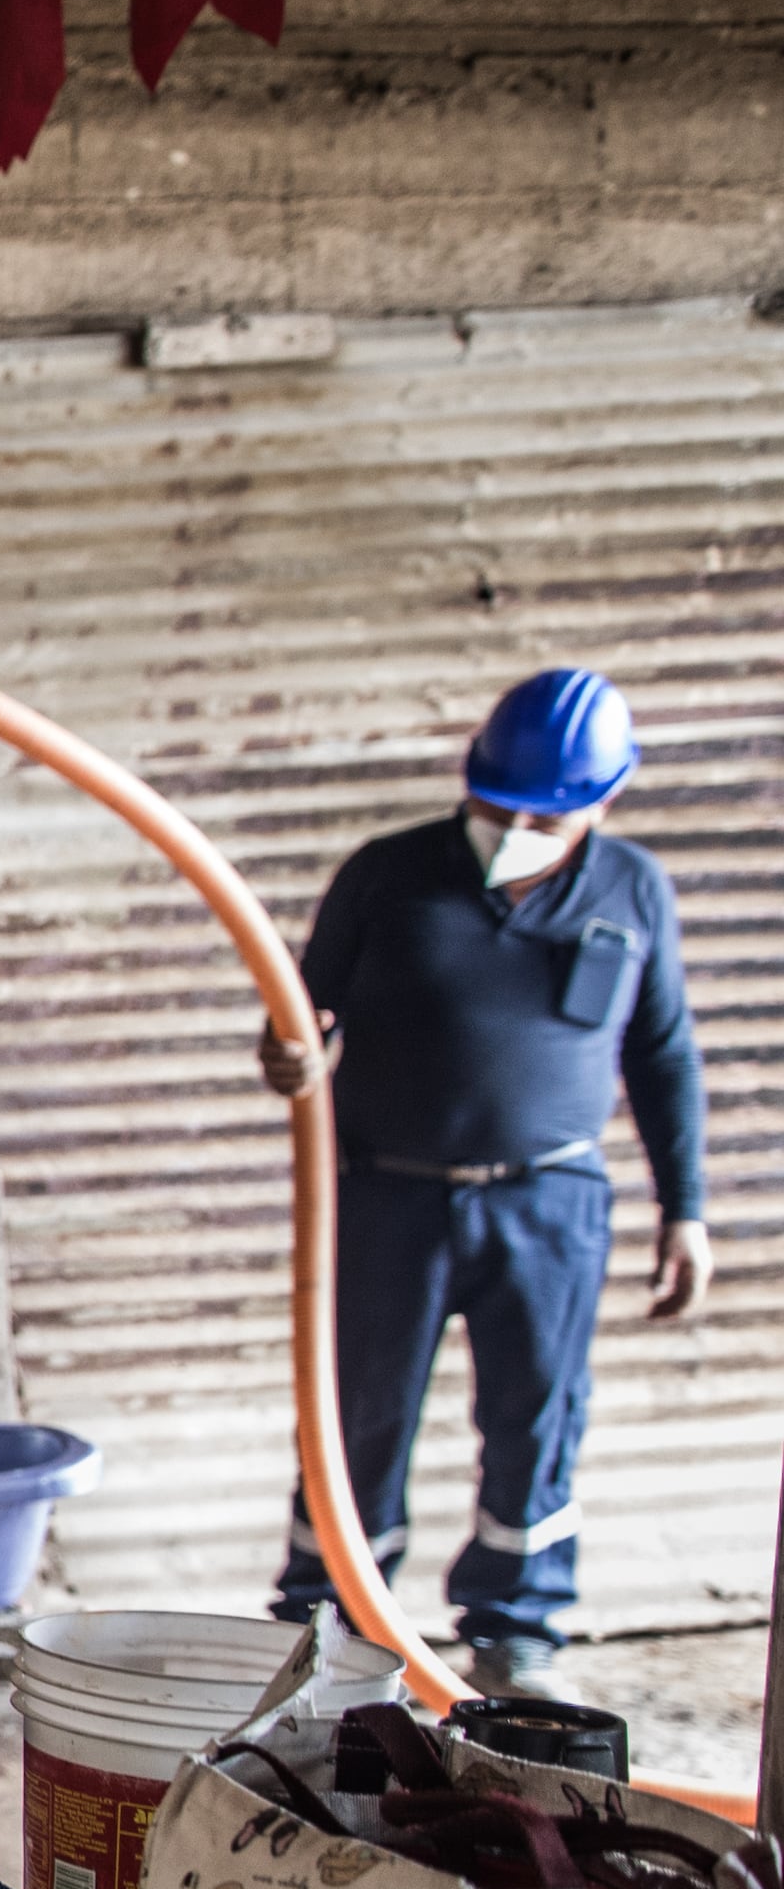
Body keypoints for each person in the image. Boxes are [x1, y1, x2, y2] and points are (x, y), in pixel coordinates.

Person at [259, 666, 710, 1693]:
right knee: (359, 1411)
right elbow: (299, 1015)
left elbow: (662, 1054)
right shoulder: (386, 874)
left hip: (550, 1203)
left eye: (538, 811)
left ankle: (515, 1629)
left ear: (602, 798)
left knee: (535, 1414)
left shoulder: (630, 889)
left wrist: (684, 1211)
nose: (511, 822)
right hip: (387, 1197)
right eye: (494, 801)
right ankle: (328, 1620)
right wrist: (287, 1058)